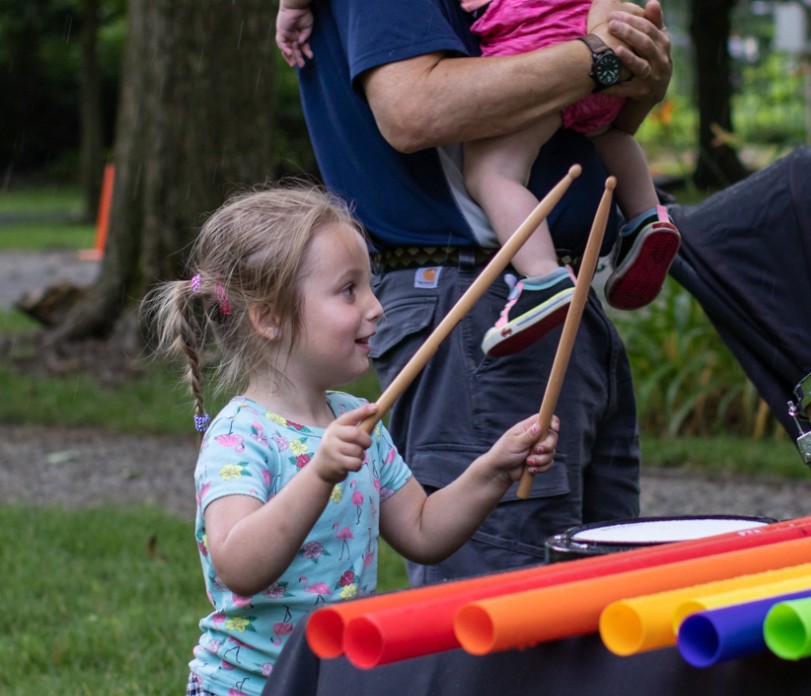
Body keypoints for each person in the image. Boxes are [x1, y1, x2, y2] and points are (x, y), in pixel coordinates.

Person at [144, 183, 558, 696]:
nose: (377, 305)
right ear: (269, 317)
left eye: (368, 284)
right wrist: (317, 475)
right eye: (348, 290)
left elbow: (422, 529)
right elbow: (237, 562)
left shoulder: (356, 420)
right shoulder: (240, 436)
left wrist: (494, 468)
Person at [275, 0, 673, 587]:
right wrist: (599, 58)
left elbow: (595, 108)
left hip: (545, 291)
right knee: (505, 602)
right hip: (481, 297)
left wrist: (633, 69)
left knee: (597, 592)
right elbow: (414, 108)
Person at [275, 0, 680, 358]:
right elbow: (414, 111)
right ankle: (646, 216)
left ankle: (544, 278)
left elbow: (415, 112)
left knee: (493, 173)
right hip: (471, 287)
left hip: (520, 288)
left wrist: (628, 70)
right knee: (608, 133)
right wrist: (610, 57)